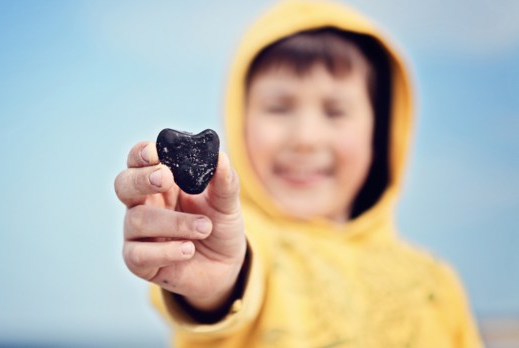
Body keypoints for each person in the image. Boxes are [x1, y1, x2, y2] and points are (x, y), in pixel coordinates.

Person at [114, 1, 483, 347]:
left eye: (336, 111)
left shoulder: (437, 285)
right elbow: (224, 285)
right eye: (278, 108)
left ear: (382, 131)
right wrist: (216, 283)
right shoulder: (233, 240)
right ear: (239, 121)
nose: (305, 138)